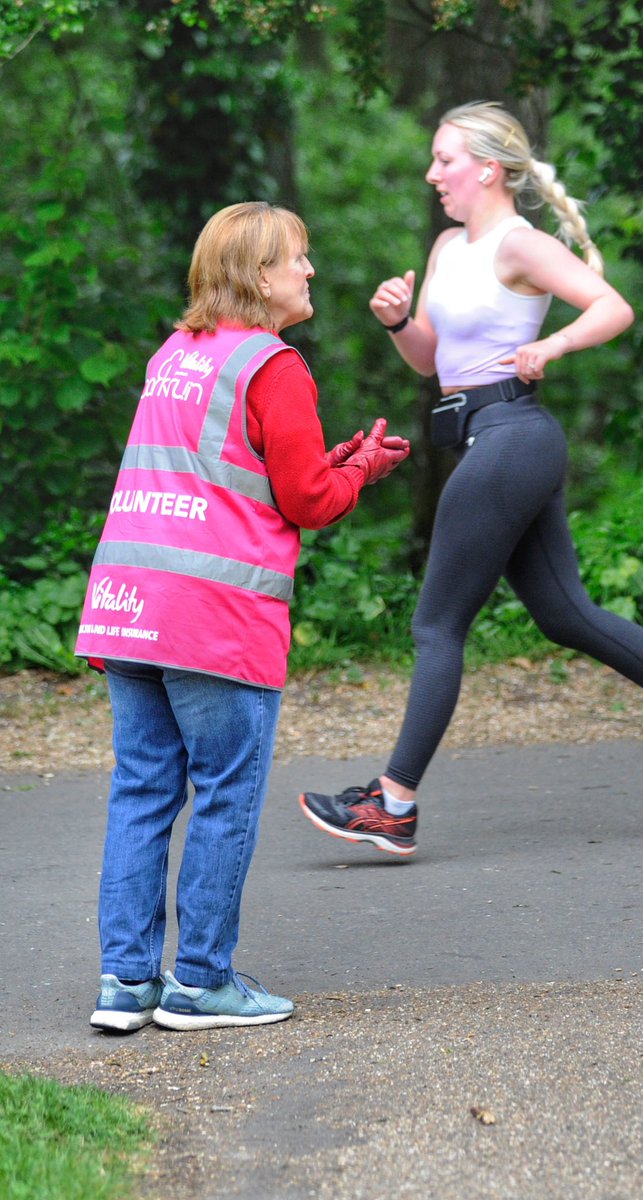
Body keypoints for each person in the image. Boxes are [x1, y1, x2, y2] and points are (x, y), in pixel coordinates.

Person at [298, 100, 643, 858]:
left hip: (511, 437)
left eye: (443, 159)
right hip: (491, 438)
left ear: (486, 167)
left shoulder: (521, 244)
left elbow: (611, 307)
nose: (431, 174)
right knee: (563, 614)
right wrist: (396, 322)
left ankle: (392, 802)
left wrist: (552, 345)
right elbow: (432, 361)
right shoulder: (450, 244)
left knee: (435, 625)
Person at [76, 201, 410, 1031]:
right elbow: (305, 500)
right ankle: (200, 983)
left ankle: (126, 984)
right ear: (259, 275)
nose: (308, 271)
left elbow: (226, 476)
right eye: (296, 257)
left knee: (143, 792)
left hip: (131, 602)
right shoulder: (275, 365)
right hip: (212, 618)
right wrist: (360, 469)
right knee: (224, 792)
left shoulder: (174, 353)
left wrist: (328, 466)